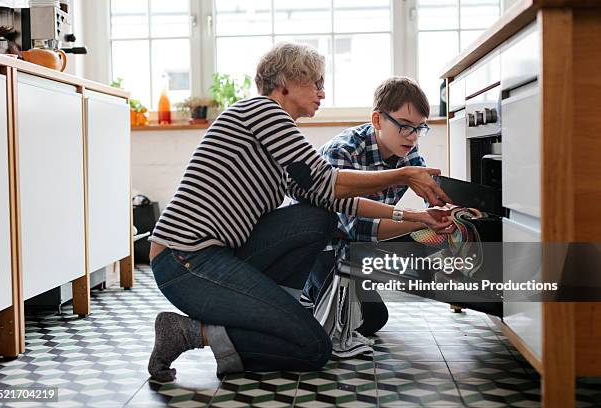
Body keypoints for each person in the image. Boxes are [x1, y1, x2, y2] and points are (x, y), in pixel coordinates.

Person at [146, 42, 453, 382]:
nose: (322, 92)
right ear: (285, 83)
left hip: (218, 255)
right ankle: (188, 332)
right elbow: (329, 182)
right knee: (313, 348)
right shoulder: (263, 112)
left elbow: (332, 200)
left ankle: (280, 310)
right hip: (185, 259)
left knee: (316, 216)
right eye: (315, 82)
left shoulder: (278, 134)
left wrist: (418, 219)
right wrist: (403, 175)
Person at [301, 77, 454, 350]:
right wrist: (419, 219)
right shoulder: (343, 152)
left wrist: (446, 210)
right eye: (405, 126)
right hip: (322, 246)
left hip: (357, 247)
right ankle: (304, 291)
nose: (413, 136)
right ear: (377, 119)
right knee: (371, 320)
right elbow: (355, 227)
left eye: (420, 128)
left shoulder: (407, 149)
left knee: (433, 239)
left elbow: (430, 196)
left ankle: (349, 284)